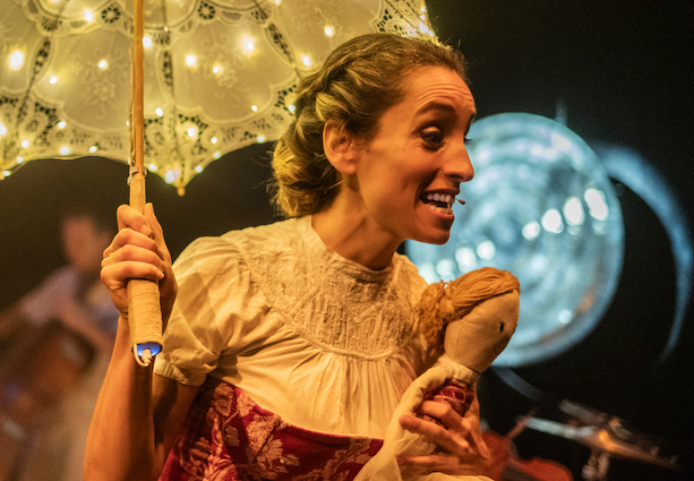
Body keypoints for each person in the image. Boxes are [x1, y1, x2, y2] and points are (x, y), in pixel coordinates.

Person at [86, 33, 492, 481]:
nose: (465, 167)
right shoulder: (228, 274)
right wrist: (135, 321)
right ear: (343, 143)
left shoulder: (429, 321)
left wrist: (468, 471)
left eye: (464, 137)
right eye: (433, 136)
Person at [0, 207, 118, 481]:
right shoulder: (66, 279)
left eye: (80, 242)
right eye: (67, 242)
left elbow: (125, 355)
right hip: (45, 418)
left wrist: (81, 322)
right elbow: (24, 313)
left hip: (89, 418)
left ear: (105, 239)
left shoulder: (122, 293)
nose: (72, 251)